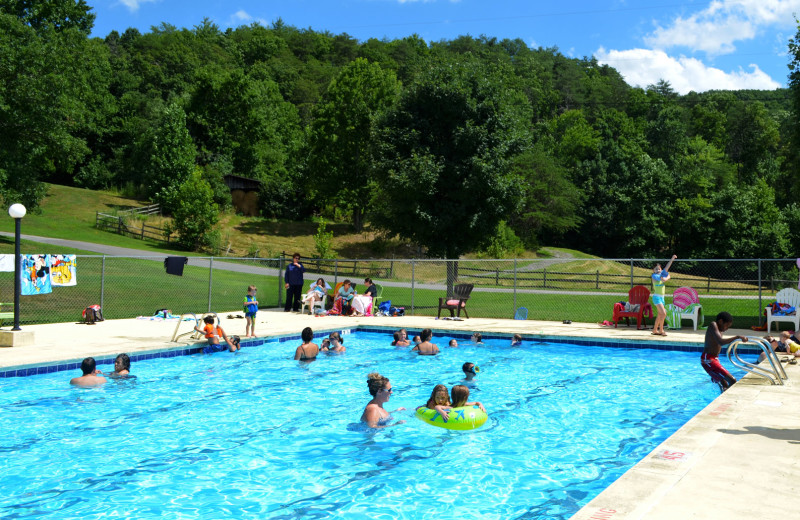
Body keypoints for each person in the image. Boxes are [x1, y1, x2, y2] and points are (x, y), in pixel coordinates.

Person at [702, 311, 747, 392]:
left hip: (714, 359)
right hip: (708, 359)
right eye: (726, 326)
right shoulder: (713, 325)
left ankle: (722, 396)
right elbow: (721, 341)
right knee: (732, 380)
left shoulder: (720, 330)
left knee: (725, 383)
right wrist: (737, 337)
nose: (727, 329)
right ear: (720, 321)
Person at [651, 254, 677, 336]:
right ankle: (661, 330)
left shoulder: (662, 274)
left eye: (659, 269)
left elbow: (667, 267)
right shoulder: (654, 276)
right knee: (664, 313)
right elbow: (661, 278)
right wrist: (666, 277)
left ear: (661, 269)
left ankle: (655, 330)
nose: (657, 270)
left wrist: (672, 258)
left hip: (662, 298)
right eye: (656, 269)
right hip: (656, 298)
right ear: (653, 270)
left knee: (660, 314)